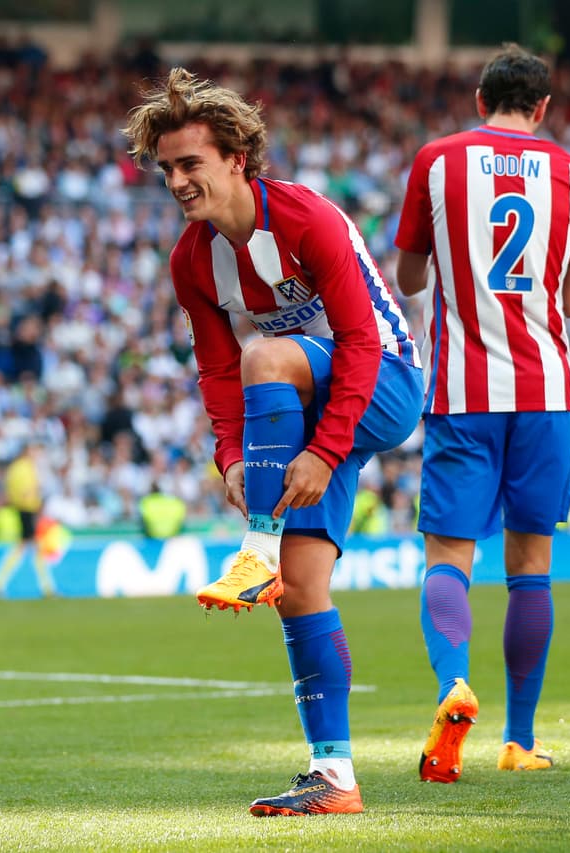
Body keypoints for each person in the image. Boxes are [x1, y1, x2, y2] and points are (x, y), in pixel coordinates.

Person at [123, 67, 423, 816]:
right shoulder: (192, 260)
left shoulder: (305, 217)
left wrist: (324, 450)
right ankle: (335, 778)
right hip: (311, 408)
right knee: (301, 592)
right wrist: (231, 455)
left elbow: (357, 339)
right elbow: (216, 370)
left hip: (382, 383)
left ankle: (252, 551)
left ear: (236, 158)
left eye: (190, 163)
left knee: (268, 352)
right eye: (166, 170)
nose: (178, 181)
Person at [394, 43, 570, 782]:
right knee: (530, 568)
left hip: (463, 391)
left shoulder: (437, 160)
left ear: (481, 101)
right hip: (546, 394)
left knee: (449, 557)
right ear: (542, 109)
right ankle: (519, 737)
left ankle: (453, 681)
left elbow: (411, 277)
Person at [0, 441, 58, 598]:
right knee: (31, 547)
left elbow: (11, 490)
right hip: (27, 510)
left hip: (21, 509)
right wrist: (34, 504)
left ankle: (0, 582)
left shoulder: (15, 468)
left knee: (28, 547)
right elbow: (29, 491)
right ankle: (46, 587)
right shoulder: (25, 468)